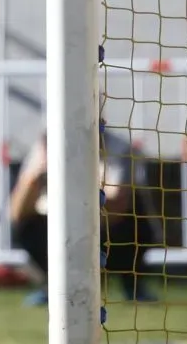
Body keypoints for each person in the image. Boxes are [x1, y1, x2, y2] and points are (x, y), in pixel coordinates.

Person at [10, 128, 158, 306]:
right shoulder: (45, 145)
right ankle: (54, 286)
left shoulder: (119, 148)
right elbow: (16, 212)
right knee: (25, 228)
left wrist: (79, 216)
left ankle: (132, 285)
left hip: (104, 229)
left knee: (136, 215)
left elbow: (117, 205)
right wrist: (37, 172)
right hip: (59, 231)